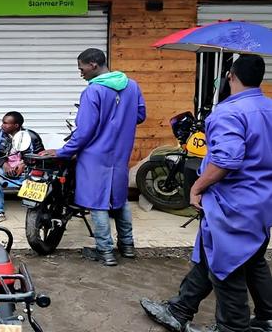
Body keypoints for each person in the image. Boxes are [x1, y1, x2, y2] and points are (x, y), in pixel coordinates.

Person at [141, 54, 272, 332]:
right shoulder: (268, 108)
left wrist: (197, 187)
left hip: (232, 204)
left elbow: (227, 160)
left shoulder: (228, 113)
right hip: (261, 203)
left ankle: (232, 328)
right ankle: (182, 309)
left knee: (227, 268)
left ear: (231, 76)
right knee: (247, 258)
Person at [42, 48, 146, 266]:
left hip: (94, 156)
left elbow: (85, 130)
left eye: (81, 68)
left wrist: (64, 151)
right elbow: (140, 115)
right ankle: (127, 247)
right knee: (120, 200)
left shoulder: (93, 91)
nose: (80, 73)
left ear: (93, 65)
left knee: (97, 202)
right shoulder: (132, 86)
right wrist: (119, 122)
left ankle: (105, 251)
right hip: (120, 154)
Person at [0, 111, 44, 223]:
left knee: (40, 176)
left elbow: (40, 155)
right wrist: (4, 164)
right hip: (3, 170)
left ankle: (37, 214)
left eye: (6, 123)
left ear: (16, 125)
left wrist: (24, 164)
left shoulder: (31, 136)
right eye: (3, 122)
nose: (3, 125)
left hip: (26, 171)